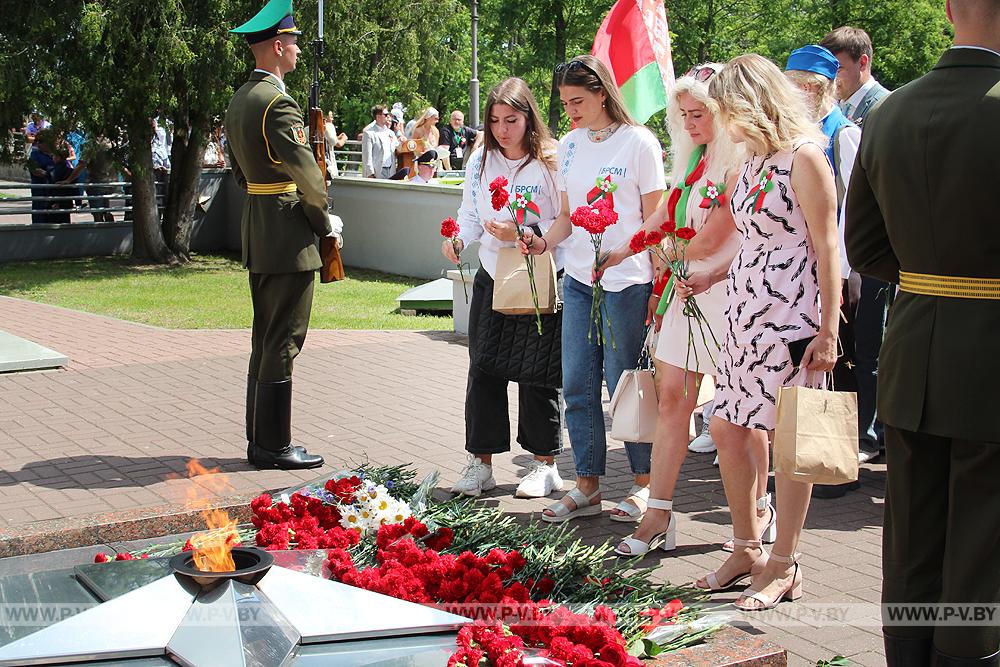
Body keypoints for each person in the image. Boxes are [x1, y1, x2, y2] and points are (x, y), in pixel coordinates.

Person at [845, 1, 1000, 664]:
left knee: (911, 531)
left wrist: (933, 278)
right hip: (991, 349)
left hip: (912, 346)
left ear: (947, 10)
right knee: (983, 537)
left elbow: (866, 244)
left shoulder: (890, 111)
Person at [683, 54, 840, 611]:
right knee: (728, 428)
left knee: (794, 440)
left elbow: (826, 248)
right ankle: (747, 546)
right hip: (746, 316)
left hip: (794, 319)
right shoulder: (748, 164)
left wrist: (828, 330)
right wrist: (713, 272)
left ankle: (785, 560)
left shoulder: (806, 159)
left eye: (727, 110)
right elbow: (753, 241)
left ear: (753, 103)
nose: (723, 123)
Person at [521, 55, 665, 524]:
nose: (571, 111)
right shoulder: (569, 145)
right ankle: (587, 485)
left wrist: (634, 263)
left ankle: (644, 485)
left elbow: (656, 221)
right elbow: (565, 218)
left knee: (627, 386)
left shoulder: (640, 143)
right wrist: (542, 240)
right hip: (580, 281)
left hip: (627, 283)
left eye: (578, 101)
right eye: (564, 103)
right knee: (578, 385)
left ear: (603, 92)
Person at [613, 64, 746, 556]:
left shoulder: (740, 161)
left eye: (699, 114)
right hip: (684, 292)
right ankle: (658, 513)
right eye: (683, 115)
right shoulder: (692, 161)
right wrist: (624, 248)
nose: (689, 124)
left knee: (738, 417)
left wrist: (665, 253)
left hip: (728, 294)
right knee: (673, 401)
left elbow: (721, 234)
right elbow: (664, 215)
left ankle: (753, 519)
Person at [444, 77, 565, 499]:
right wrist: (458, 237)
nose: (501, 129)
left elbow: (566, 222)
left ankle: (544, 463)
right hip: (493, 276)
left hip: (539, 278)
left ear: (529, 117)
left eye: (511, 120)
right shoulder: (480, 159)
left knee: (538, 374)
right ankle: (481, 463)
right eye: (494, 120)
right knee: (483, 369)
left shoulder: (552, 159)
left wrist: (527, 229)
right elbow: (470, 212)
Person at [227, 0, 335, 470]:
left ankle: (260, 439)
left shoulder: (241, 98)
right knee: (284, 339)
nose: (294, 48)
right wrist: (323, 222)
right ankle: (273, 446)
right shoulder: (277, 102)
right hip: (287, 234)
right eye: (290, 41)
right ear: (276, 46)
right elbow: (308, 176)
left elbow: (238, 170)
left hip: (259, 225)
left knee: (265, 337)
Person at [784, 45, 865, 499]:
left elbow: (851, 208)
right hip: (803, 270)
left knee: (841, 364)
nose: (797, 93)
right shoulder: (799, 135)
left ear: (822, 89)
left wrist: (840, 272)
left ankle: (838, 462)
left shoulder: (842, 134)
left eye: (805, 86)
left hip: (837, 267)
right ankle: (810, 456)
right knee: (808, 366)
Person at [821, 26, 893, 466]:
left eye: (841, 70)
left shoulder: (882, 108)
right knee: (854, 347)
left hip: (871, 251)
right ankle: (860, 428)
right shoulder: (839, 111)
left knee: (870, 345)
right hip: (847, 253)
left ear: (862, 62)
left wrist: (858, 262)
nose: (836, 80)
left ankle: (870, 432)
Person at [58, 133, 118, 222]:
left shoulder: (92, 142)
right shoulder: (111, 140)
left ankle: (100, 231)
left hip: (96, 181)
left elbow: (82, 163)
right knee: (106, 208)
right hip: (111, 181)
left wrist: (68, 180)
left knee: (97, 213)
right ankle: (109, 222)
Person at [361, 104, 400, 178]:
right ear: (378, 117)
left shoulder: (390, 133)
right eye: (385, 114)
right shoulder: (369, 134)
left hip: (391, 170)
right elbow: (367, 156)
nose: (388, 116)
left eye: (388, 114)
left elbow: (397, 148)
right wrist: (370, 174)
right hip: (377, 171)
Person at [323, 110, 348, 178]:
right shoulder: (329, 126)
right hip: (327, 159)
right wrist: (344, 138)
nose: (332, 119)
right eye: (331, 117)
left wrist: (337, 137)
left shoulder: (310, 127)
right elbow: (336, 143)